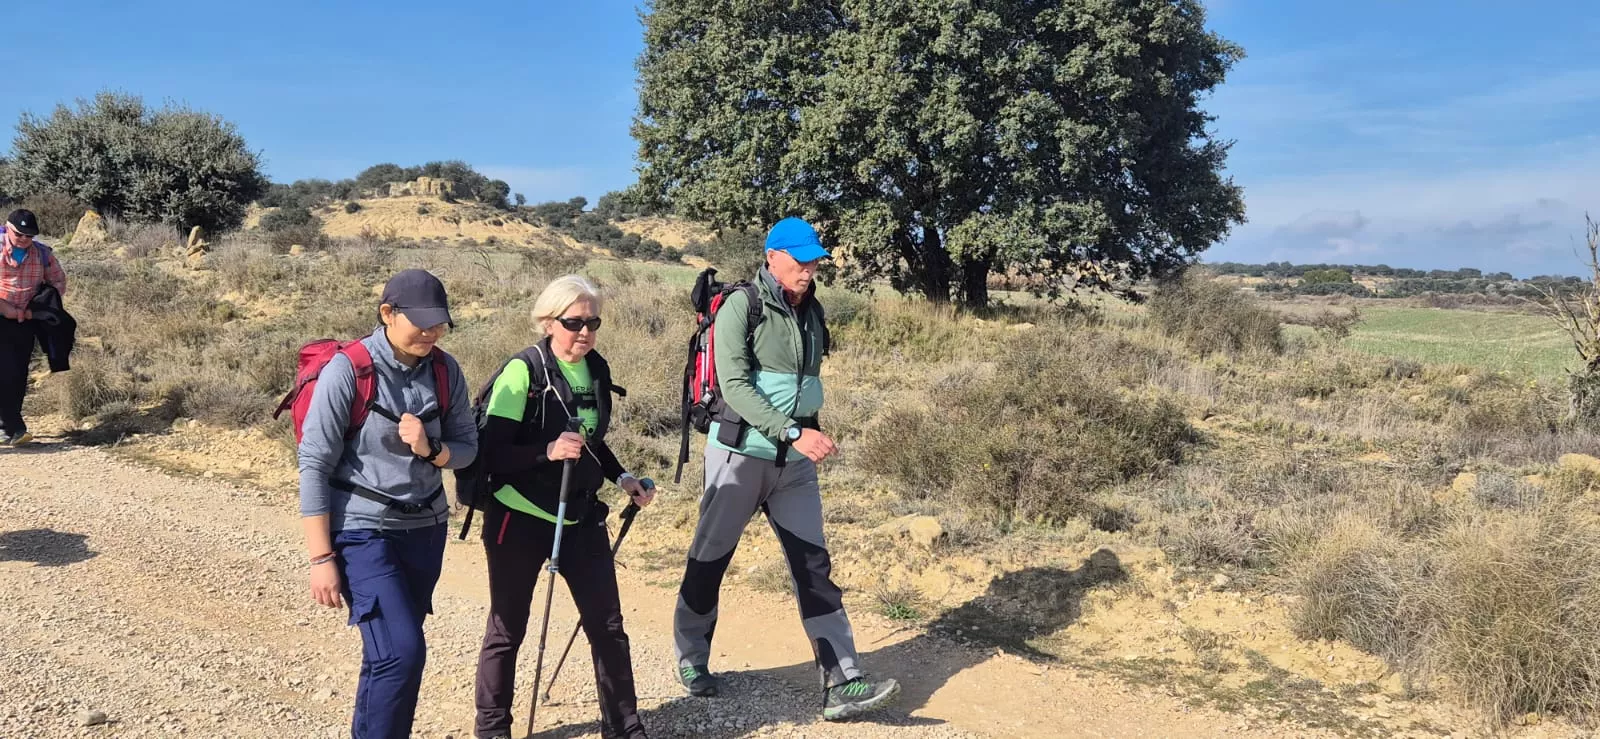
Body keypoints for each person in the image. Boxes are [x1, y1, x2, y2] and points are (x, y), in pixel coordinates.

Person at [672, 217, 900, 720]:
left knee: (813, 567)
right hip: (739, 455)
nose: (809, 268)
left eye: (815, 259)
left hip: (793, 465)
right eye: (800, 260)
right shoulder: (742, 305)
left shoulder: (811, 309)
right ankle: (691, 659)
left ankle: (844, 680)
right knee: (710, 560)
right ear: (772, 256)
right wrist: (794, 430)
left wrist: (800, 436)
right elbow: (734, 385)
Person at [298, 268, 479, 739]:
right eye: (420, 322)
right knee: (401, 652)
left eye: (439, 323)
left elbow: (467, 447)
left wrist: (431, 450)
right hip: (362, 531)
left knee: (389, 657)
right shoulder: (349, 370)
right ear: (387, 314)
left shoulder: (445, 369)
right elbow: (314, 464)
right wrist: (321, 557)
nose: (432, 332)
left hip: (425, 530)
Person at [472, 275, 654, 739]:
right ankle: (493, 730)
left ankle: (624, 726)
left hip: (579, 515)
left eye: (593, 321)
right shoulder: (523, 371)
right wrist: (545, 451)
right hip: (519, 514)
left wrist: (623, 478)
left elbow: (591, 442)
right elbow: (491, 453)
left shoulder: (595, 369)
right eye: (574, 322)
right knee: (508, 628)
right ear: (548, 321)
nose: (585, 331)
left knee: (607, 625)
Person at [0, 209, 67, 446]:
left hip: (25, 320)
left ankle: (9, 426)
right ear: (7, 228)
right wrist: (4, 307)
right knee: (4, 370)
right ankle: (12, 426)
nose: (24, 240)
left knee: (17, 373)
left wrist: (36, 309)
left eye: (29, 236)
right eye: (19, 234)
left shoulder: (42, 254)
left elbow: (58, 281)